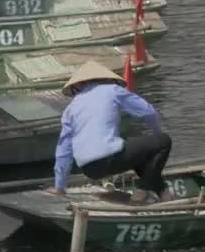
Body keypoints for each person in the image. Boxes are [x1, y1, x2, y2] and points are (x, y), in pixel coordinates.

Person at [50, 61, 172, 204]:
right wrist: (157, 134)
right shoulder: (112, 90)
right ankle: (141, 192)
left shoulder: (70, 109)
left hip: (90, 169)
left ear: (78, 86)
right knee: (163, 142)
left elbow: (63, 151)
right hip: (111, 158)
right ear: (105, 79)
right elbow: (149, 113)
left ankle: (164, 193)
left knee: (140, 152)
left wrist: (60, 187)